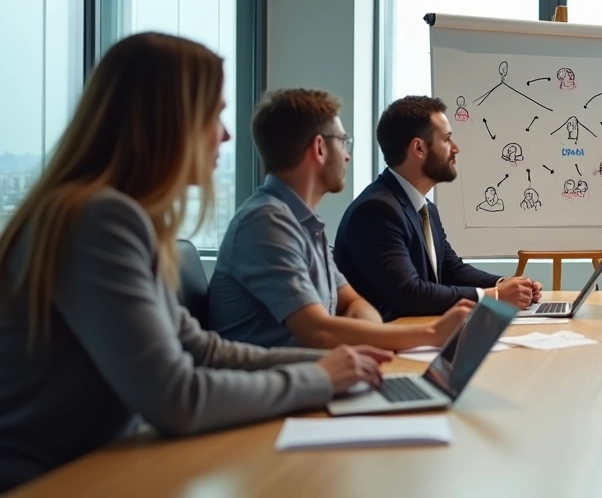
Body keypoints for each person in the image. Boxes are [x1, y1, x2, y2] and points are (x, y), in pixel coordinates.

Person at [0, 33, 389, 493]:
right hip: (48, 481)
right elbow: (176, 397)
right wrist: (317, 377)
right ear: (169, 120)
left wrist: (334, 364)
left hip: (96, 465)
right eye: (215, 114)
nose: (225, 134)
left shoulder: (114, 214)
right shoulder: (99, 219)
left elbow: (201, 349)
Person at [208, 89, 473, 350]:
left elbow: (353, 303)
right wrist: (429, 334)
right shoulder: (265, 223)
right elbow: (319, 331)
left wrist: (368, 338)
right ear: (320, 148)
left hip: (315, 375)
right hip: (275, 387)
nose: (347, 156)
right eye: (343, 142)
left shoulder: (303, 223)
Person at [334, 97, 541, 319]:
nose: (456, 149)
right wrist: (495, 296)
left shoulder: (424, 207)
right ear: (419, 148)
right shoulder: (376, 210)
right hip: (387, 345)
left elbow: (452, 270)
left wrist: (507, 285)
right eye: (447, 139)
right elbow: (408, 294)